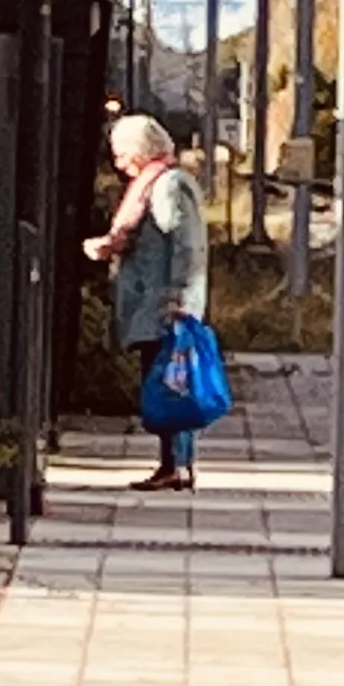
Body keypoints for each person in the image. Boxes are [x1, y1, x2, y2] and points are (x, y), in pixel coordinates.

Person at [88, 113, 210, 490]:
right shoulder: (154, 184)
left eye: (122, 155)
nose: (118, 164)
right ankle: (173, 462)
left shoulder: (167, 186)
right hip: (154, 302)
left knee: (170, 384)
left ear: (140, 153)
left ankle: (176, 464)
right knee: (168, 382)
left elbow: (184, 245)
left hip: (163, 304)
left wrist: (177, 296)